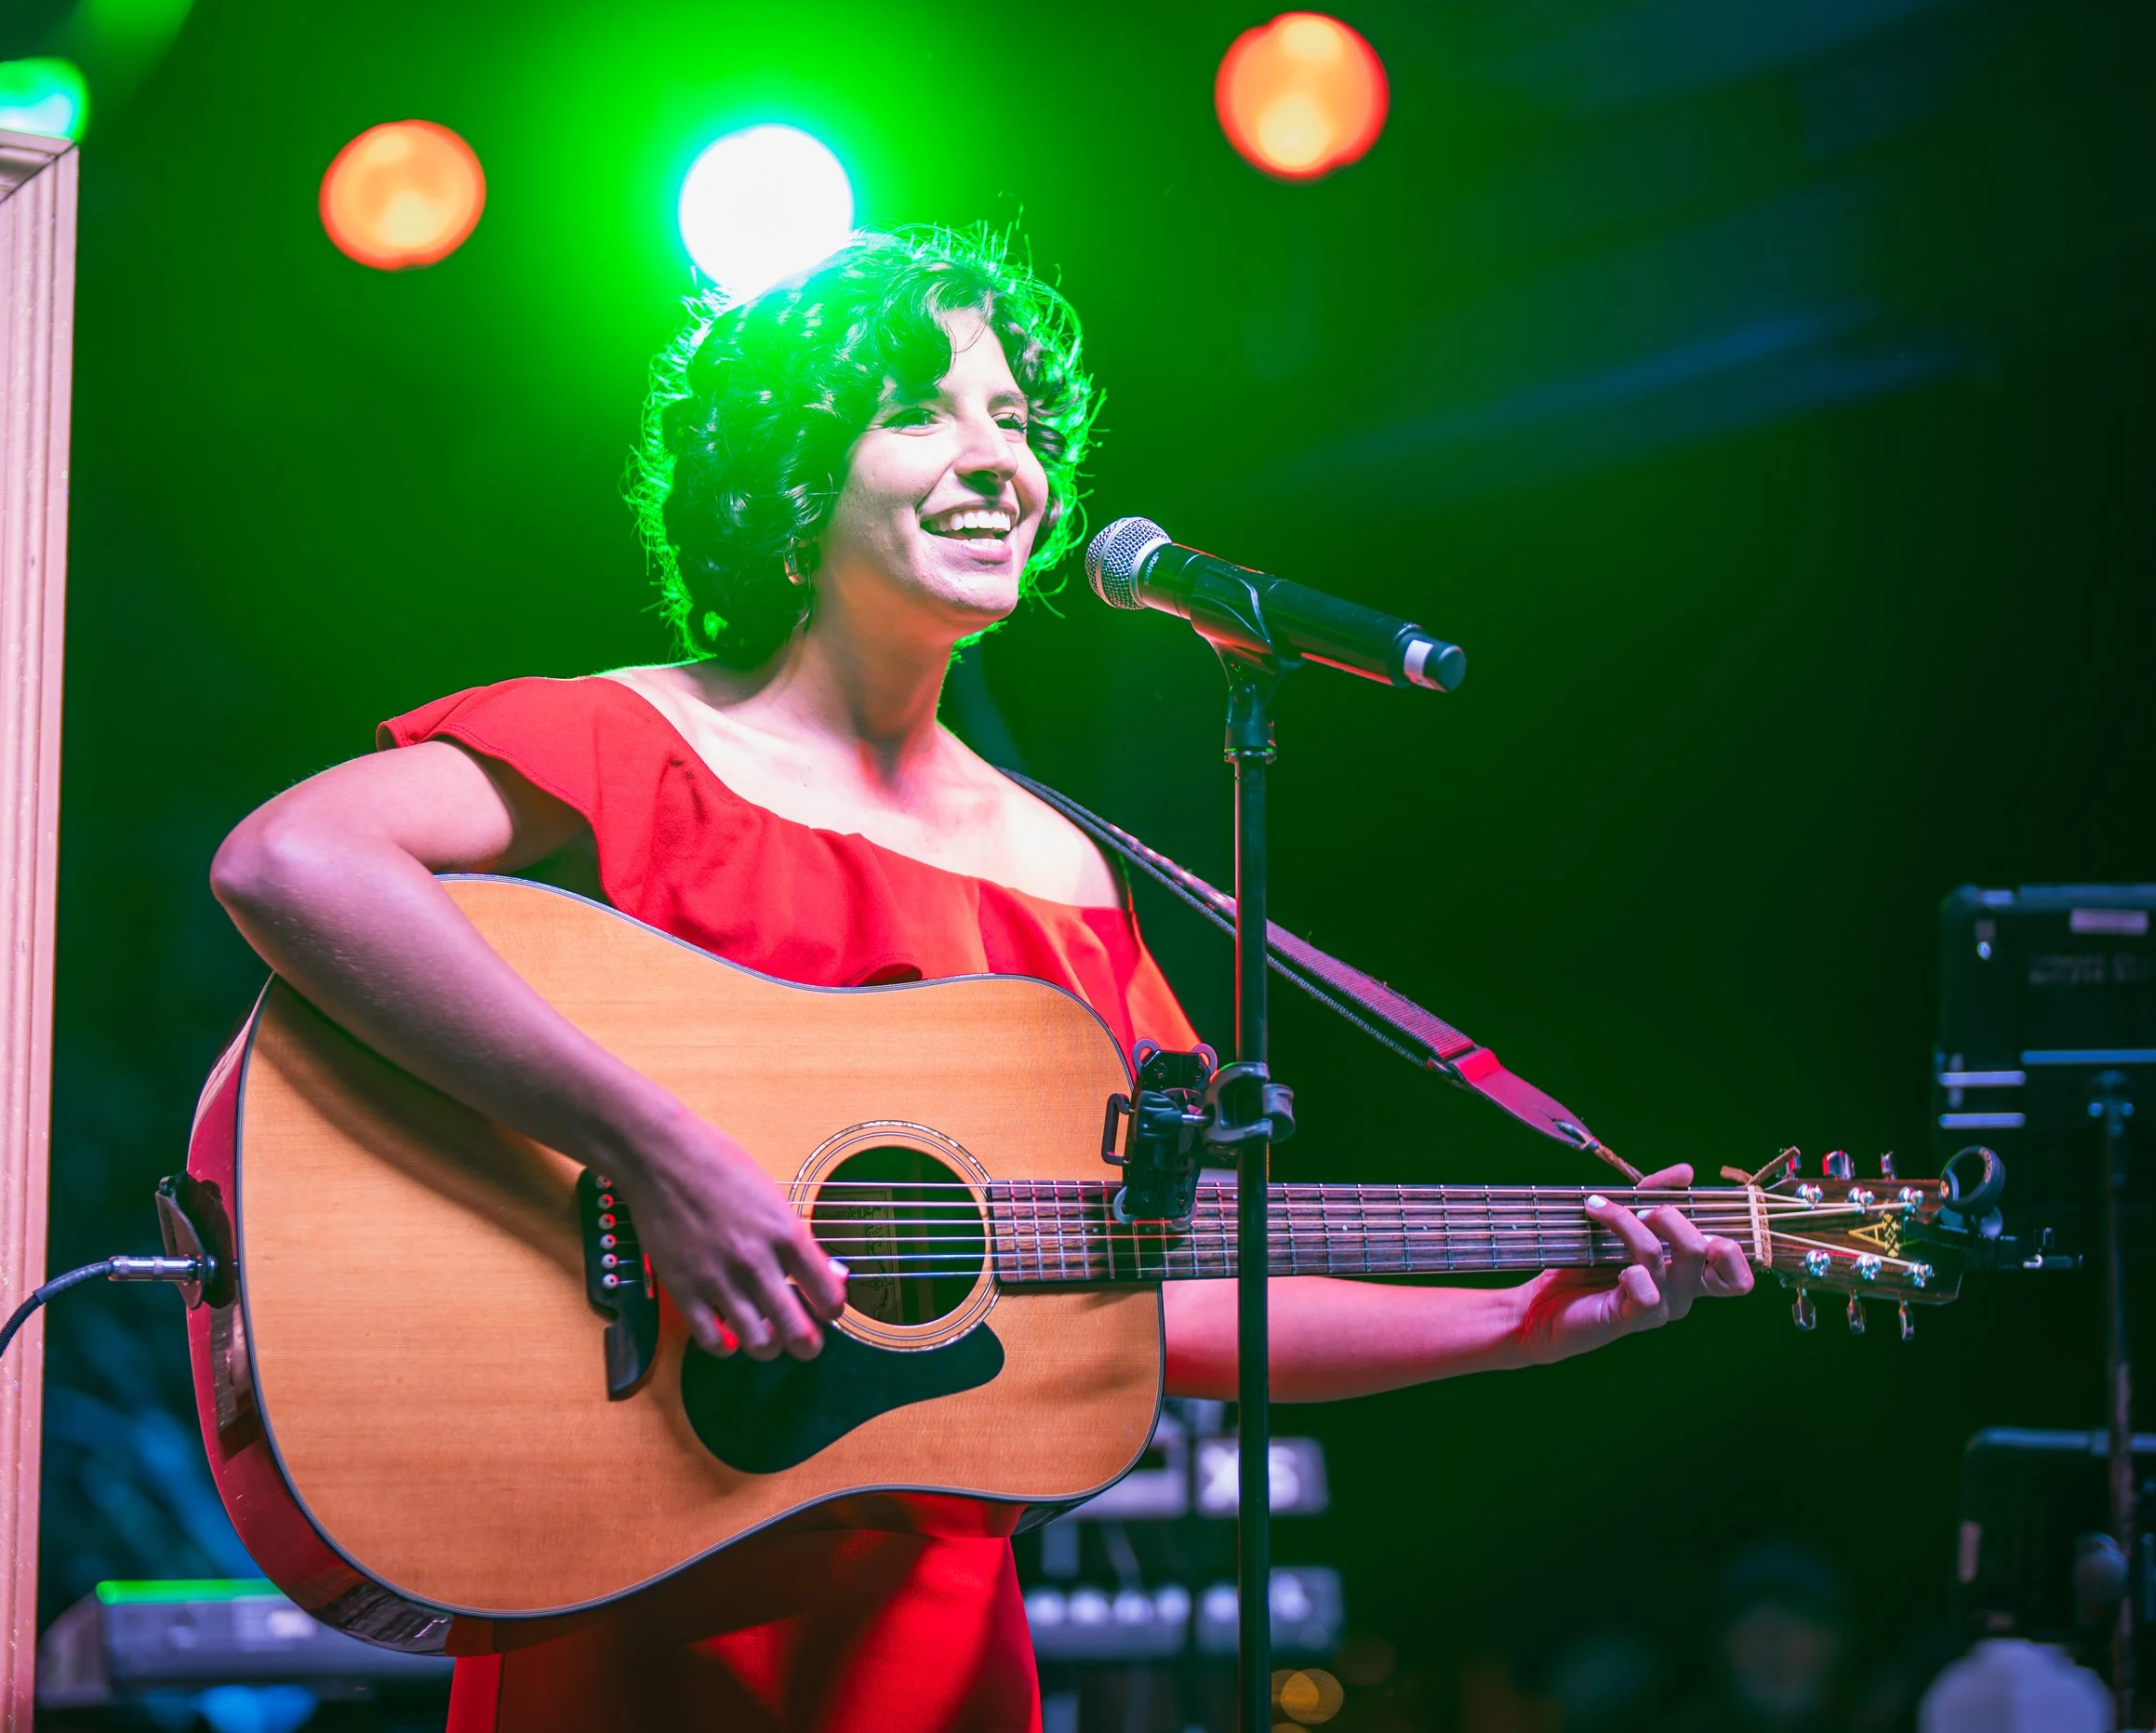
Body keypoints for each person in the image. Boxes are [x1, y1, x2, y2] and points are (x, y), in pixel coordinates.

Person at [210, 227, 1756, 1733]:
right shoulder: (638, 745)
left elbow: (1159, 1287)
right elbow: (291, 865)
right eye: (921, 412)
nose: (998, 460)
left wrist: (1522, 1324)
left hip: (932, 1653)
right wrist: (657, 1150)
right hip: (635, 1586)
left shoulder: (1071, 876)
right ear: (792, 472)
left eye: (1014, 421)